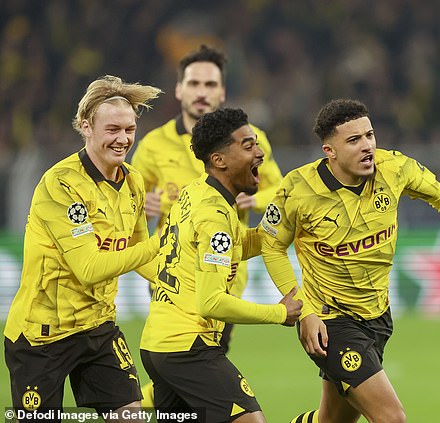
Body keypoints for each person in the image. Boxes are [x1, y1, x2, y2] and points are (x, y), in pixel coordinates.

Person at [259, 99, 440, 423]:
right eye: (354, 140)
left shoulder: (394, 168)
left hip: (378, 316)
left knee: (332, 421)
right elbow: (272, 246)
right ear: (329, 151)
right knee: (391, 417)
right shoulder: (298, 189)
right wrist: (303, 310)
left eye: (369, 135)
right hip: (331, 322)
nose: (367, 146)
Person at [3, 75, 162, 422]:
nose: (123, 139)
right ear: (86, 127)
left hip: (98, 328)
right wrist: (161, 246)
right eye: (113, 130)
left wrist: (175, 277)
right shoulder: (60, 184)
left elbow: (136, 251)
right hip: (42, 335)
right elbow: (89, 268)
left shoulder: (133, 181)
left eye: (130, 129)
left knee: (131, 416)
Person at [139, 107, 302, 423]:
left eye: (257, 144)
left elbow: (236, 244)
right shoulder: (215, 217)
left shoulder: (196, 192)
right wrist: (279, 313)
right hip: (186, 346)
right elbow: (211, 301)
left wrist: (280, 228)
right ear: (219, 160)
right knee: (250, 419)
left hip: (158, 343)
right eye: (248, 146)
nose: (259, 154)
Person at [130, 44, 283, 346]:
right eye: (194, 83)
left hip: (225, 270)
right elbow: (128, 201)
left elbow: (279, 188)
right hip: (169, 271)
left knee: (190, 369)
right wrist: (142, 208)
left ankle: (142, 397)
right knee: (189, 366)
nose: (202, 92)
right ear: (179, 89)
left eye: (210, 84)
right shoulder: (153, 144)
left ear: (222, 92)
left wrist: (256, 199)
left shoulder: (251, 138)